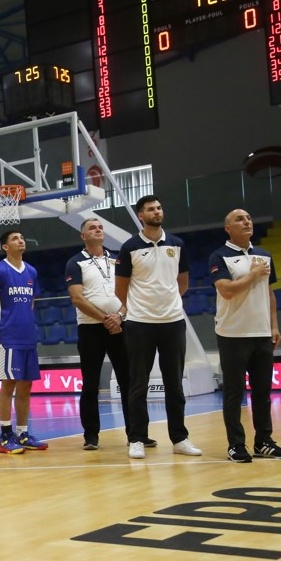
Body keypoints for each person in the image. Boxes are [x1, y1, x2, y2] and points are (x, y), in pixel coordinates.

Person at [114, 195, 202, 460]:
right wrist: (137, 310)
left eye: (159, 207)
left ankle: (180, 438)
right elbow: (121, 289)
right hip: (140, 324)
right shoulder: (129, 247)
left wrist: (170, 304)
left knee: (174, 383)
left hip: (173, 322)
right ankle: (137, 438)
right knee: (138, 384)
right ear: (141, 215)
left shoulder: (177, 244)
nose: (157, 211)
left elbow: (182, 282)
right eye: (151, 209)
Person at [209, 209, 281, 462]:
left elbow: (269, 293)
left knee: (262, 393)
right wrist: (252, 274)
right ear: (228, 228)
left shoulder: (264, 255)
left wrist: (274, 326)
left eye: (248, 219)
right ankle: (236, 445)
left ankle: (263, 442)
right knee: (234, 393)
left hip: (261, 333)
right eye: (239, 219)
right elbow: (226, 291)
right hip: (232, 334)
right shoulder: (219, 256)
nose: (246, 222)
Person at [65, 219, 154, 451]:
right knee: (90, 385)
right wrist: (106, 319)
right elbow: (77, 298)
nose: (98, 230)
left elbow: (131, 291)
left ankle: (136, 434)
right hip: (90, 328)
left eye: (100, 227)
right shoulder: (75, 262)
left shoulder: (119, 258)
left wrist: (120, 316)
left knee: (130, 382)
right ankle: (91, 436)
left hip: (121, 326)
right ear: (83, 236)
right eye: (92, 228)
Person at [0, 230, 48, 454]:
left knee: (26, 386)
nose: (21, 240)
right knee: (8, 384)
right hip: (7, 338)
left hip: (28, 337)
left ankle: (22, 433)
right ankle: (5, 435)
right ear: (5, 247)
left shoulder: (31, 270)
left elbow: (31, 303)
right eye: (15, 239)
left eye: (22, 237)